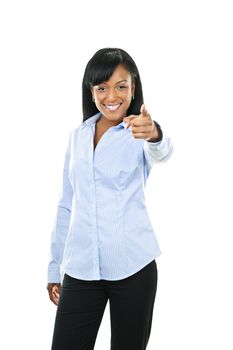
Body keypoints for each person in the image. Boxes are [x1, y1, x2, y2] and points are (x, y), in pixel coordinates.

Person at [46, 47, 173, 350]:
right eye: (102, 87)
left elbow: (162, 151)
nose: (111, 95)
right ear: (91, 92)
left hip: (134, 269)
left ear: (133, 89)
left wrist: (155, 132)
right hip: (81, 267)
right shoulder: (78, 136)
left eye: (121, 86)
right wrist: (55, 266)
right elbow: (66, 203)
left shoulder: (138, 132)